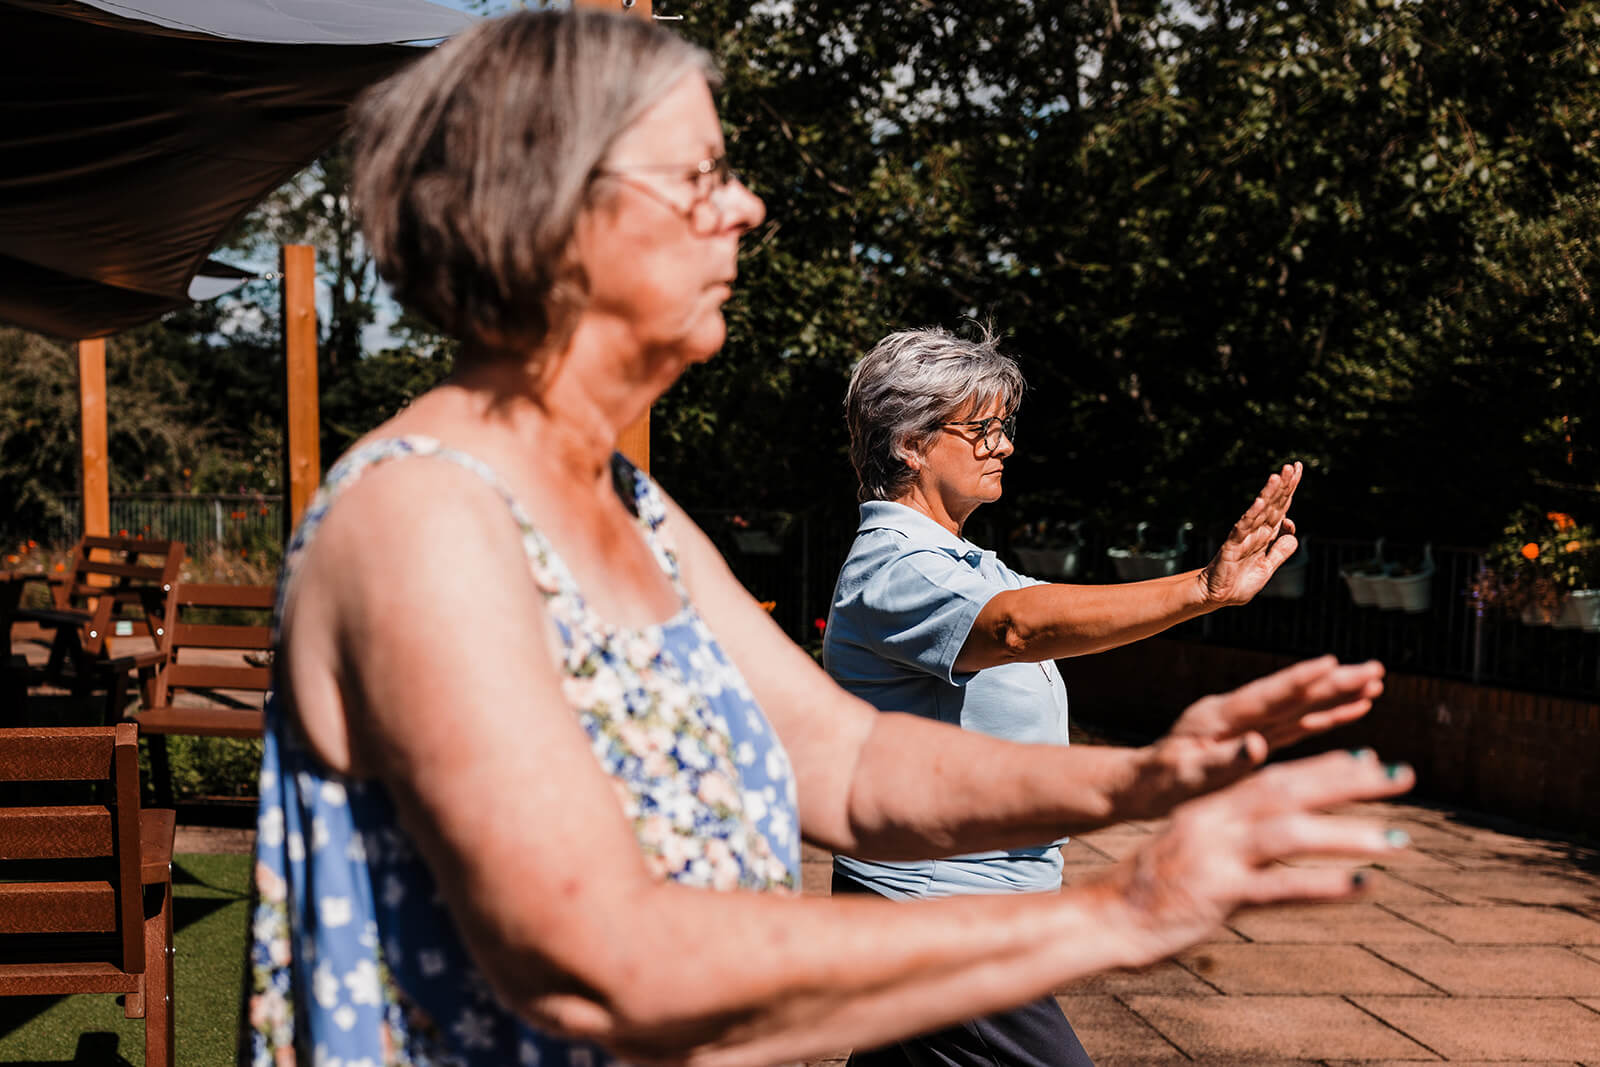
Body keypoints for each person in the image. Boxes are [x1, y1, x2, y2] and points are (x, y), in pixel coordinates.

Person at [247, 11, 1413, 1067]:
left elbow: (850, 763)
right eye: (700, 174)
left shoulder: (619, 499)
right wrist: (1117, 911)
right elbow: (599, 958)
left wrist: (1149, 776)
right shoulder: (426, 516)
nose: (744, 207)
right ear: (554, 205)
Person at [824, 324, 1312, 1067]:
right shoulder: (897, 567)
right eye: (982, 430)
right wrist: (1204, 589)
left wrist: (1207, 590)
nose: (1004, 446)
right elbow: (1019, 628)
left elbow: (1058, 615)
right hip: (943, 918)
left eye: (1004, 427)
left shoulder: (966, 564)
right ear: (911, 444)